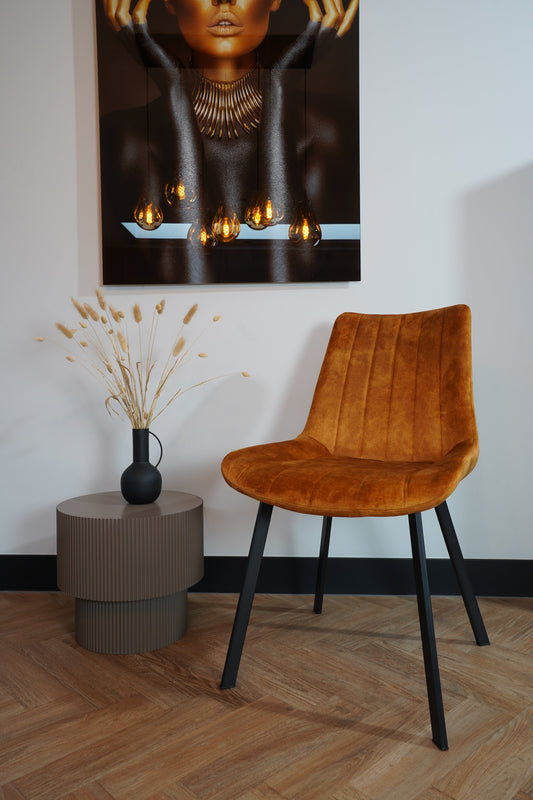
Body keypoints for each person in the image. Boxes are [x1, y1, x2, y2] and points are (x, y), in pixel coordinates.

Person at [98, 0, 360, 284]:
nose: (224, 0)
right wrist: (176, 90)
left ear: (274, 1)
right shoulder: (127, 135)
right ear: (170, 3)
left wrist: (278, 87)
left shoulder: (329, 131)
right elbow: (180, 287)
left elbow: (295, 282)